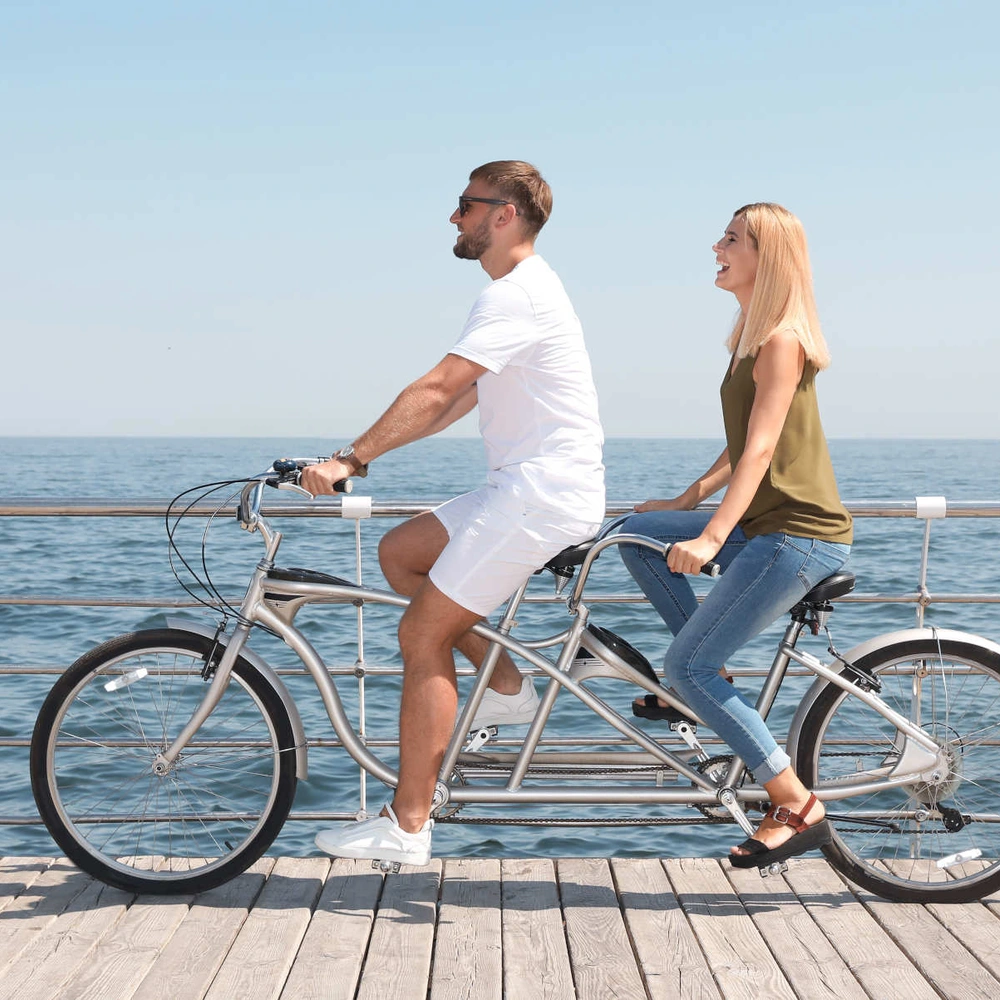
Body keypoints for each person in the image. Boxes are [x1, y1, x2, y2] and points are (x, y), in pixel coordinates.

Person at [303, 160, 605, 866]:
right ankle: (504, 681)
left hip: (541, 495)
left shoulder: (516, 295)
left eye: (465, 205)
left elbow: (439, 387)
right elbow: (456, 402)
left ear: (504, 215)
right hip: (522, 487)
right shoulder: (522, 291)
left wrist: (348, 459)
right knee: (400, 554)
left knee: (421, 632)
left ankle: (408, 825)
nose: (454, 217)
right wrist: (364, 455)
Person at [619, 203, 852, 870]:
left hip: (799, 535)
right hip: (765, 528)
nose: (716, 247)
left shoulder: (782, 340)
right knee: (637, 534)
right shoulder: (749, 340)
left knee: (684, 667)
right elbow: (742, 444)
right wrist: (686, 503)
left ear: (766, 257)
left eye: (731, 239)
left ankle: (794, 804)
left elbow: (762, 451)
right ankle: (709, 678)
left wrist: (711, 534)